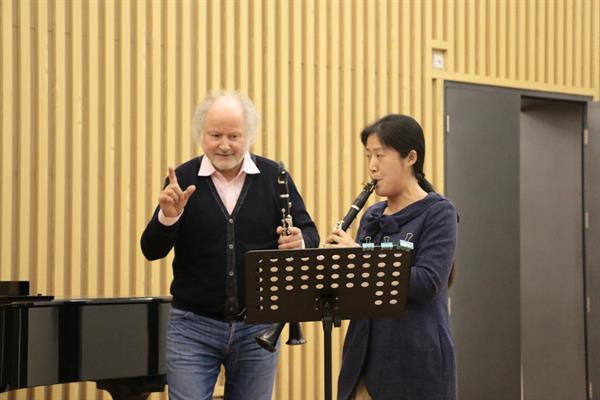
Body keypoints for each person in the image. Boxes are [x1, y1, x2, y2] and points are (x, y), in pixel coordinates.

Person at [140, 90, 319, 400]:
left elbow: (311, 234)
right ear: (201, 135)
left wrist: (300, 240)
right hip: (192, 327)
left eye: (234, 136)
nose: (224, 145)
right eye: (215, 135)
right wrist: (168, 218)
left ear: (249, 136)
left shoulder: (274, 177)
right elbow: (151, 250)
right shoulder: (182, 178)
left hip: (258, 327)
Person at [325, 114, 458, 400]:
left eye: (380, 155)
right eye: (368, 156)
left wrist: (358, 258)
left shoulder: (439, 212)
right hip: (364, 359)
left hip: (415, 361)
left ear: (410, 157)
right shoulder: (372, 215)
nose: (372, 166)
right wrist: (334, 268)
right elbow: (360, 288)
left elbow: (427, 282)